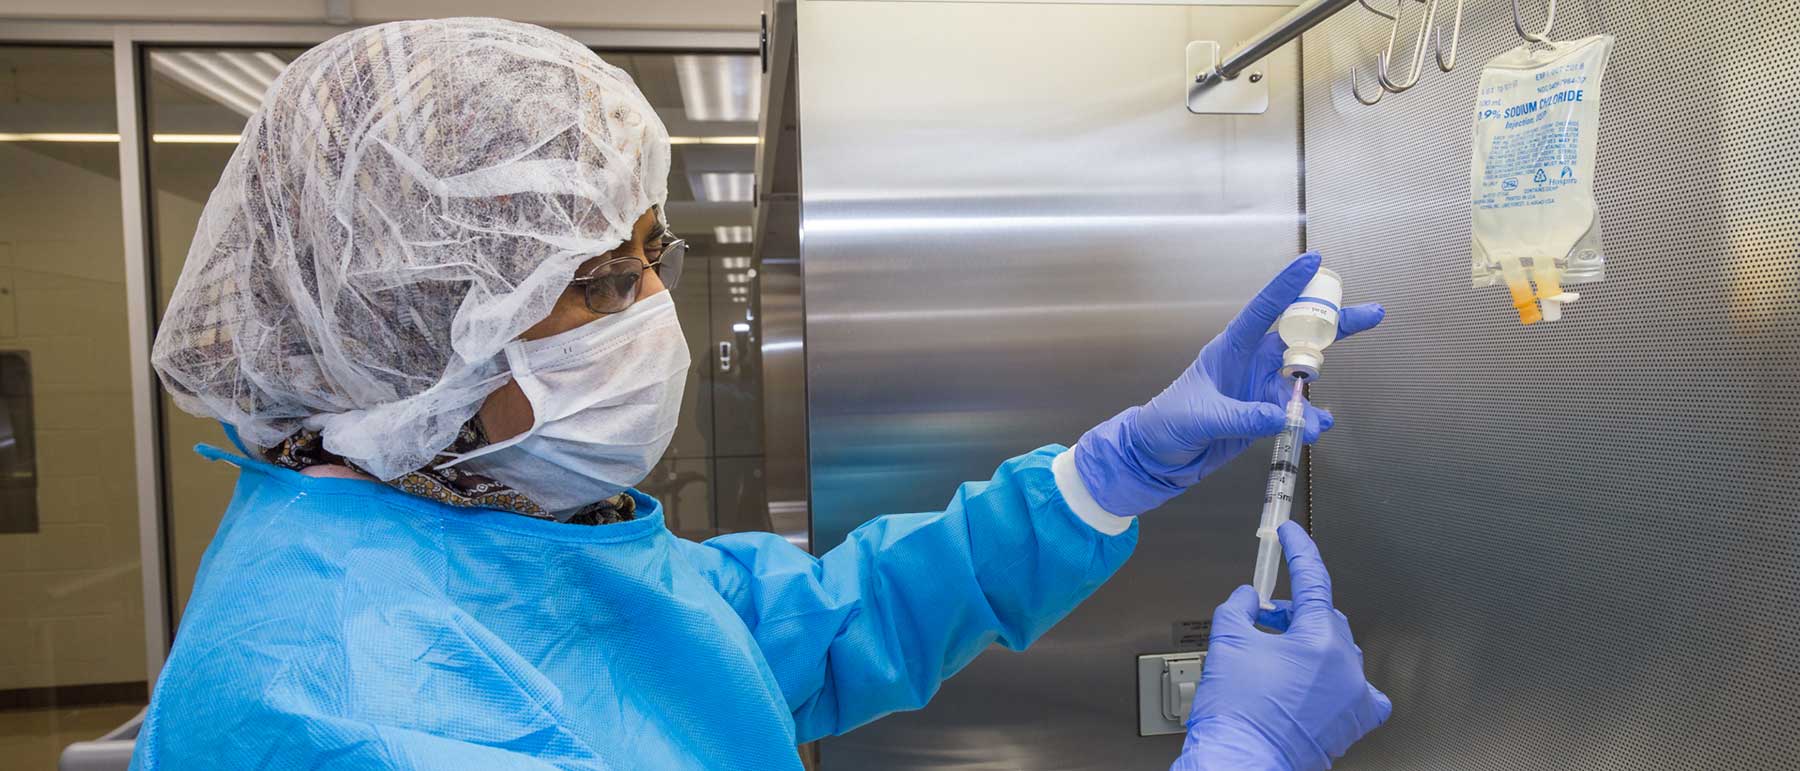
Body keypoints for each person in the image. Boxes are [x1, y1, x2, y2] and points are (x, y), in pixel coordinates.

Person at [134, 18, 1388, 771]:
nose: (650, 311)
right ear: (410, 337)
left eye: (648, 252)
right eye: (598, 283)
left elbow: (807, 625)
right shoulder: (347, 709)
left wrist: (1104, 477)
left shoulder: (474, 524)